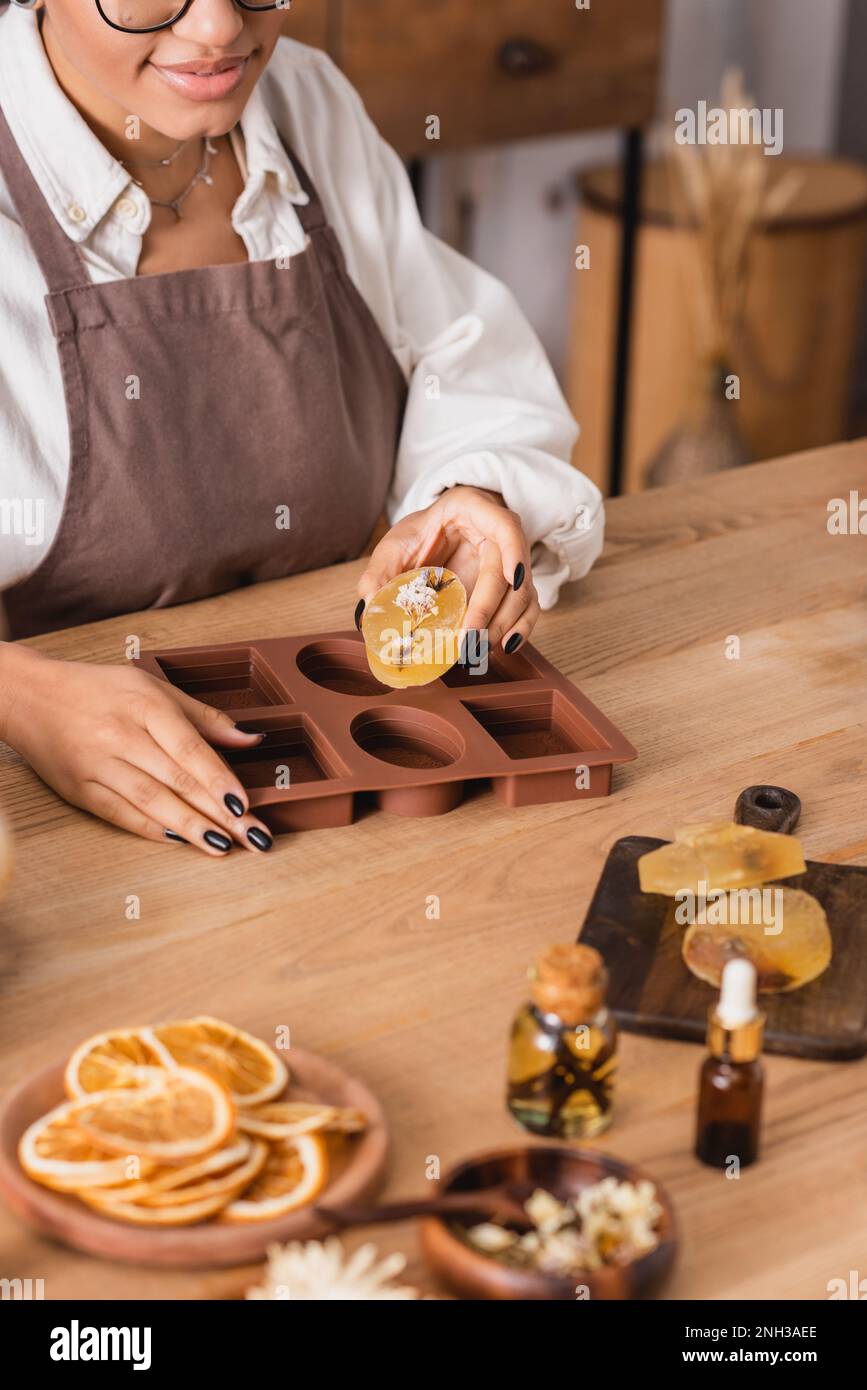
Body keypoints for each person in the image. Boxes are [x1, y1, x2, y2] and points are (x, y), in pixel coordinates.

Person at [0, 0, 603, 855]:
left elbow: (461, 355)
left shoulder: (305, 101)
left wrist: (466, 490)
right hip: (62, 836)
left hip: (373, 810)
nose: (217, 28)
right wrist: (20, 700)